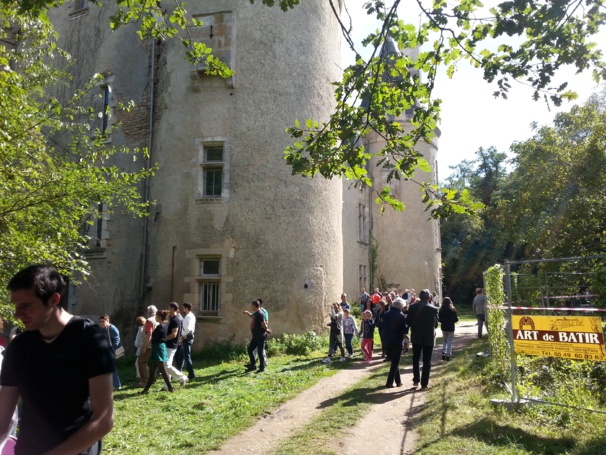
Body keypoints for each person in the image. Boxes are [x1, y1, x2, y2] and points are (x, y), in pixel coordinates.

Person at [0, 264, 114, 454]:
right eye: (16, 306)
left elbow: (103, 420)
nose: (17, 314)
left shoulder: (89, 338)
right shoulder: (19, 347)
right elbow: (2, 418)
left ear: (54, 299)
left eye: (26, 305)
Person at [407, 289, 438, 389]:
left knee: (416, 358)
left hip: (416, 336)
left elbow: (408, 321)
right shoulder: (433, 309)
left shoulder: (413, 307)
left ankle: (416, 380)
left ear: (419, 297)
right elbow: (436, 324)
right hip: (429, 337)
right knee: (427, 360)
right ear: (429, 298)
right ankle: (424, 384)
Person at [140, 310, 174, 394]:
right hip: (159, 347)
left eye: (156, 316)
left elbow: (152, 337)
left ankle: (170, 388)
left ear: (159, 317)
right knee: (152, 370)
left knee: (162, 369)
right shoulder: (166, 325)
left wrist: (144, 346)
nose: (155, 317)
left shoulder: (160, 326)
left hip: (158, 347)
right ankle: (146, 389)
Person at [381, 298, 408, 388]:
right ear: (400, 306)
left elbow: (382, 325)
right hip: (396, 341)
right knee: (395, 363)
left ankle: (398, 382)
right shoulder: (401, 316)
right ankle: (389, 383)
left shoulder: (386, 314)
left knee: (394, 362)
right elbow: (405, 330)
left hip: (386, 341)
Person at [163, 302, 188, 389]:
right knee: (166, 365)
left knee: (167, 365)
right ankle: (166, 385)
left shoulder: (175, 320)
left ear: (173, 309)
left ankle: (182, 377)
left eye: (169, 308)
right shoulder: (175, 318)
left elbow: (174, 334)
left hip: (171, 345)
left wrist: (164, 339)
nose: (168, 309)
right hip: (170, 344)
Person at [99, 314, 122, 390]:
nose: (101, 323)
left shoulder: (111, 328)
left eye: (103, 321)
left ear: (107, 321)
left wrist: (111, 349)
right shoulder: (102, 329)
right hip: (105, 351)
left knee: (111, 367)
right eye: (100, 321)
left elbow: (117, 340)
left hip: (112, 351)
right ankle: (109, 384)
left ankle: (117, 385)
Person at [243, 299, 269, 368]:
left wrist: (267, 329)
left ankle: (262, 366)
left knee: (260, 351)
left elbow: (264, 323)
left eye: (252, 305)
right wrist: (247, 313)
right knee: (250, 349)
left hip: (260, 335)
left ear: (255, 305)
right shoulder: (256, 313)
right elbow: (252, 316)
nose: (251, 307)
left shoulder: (261, 313)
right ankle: (253, 364)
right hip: (255, 336)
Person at [137, 305, 158, 388]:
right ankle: (152, 379)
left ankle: (145, 381)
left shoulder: (150, 320)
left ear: (148, 312)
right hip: (156, 344)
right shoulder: (158, 319)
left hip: (149, 345)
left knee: (141, 361)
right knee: (154, 362)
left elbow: (149, 333)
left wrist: (144, 346)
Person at [178, 302, 196, 380]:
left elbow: (187, 329)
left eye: (183, 308)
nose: (183, 309)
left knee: (186, 356)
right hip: (188, 337)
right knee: (182, 356)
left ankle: (191, 373)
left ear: (186, 308)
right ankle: (178, 371)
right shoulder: (191, 316)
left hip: (186, 338)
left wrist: (182, 337)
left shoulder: (188, 317)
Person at [134, 316, 146, 385]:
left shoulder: (141, 329)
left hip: (141, 348)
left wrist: (138, 345)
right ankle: (140, 376)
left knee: (138, 363)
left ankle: (140, 377)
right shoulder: (141, 329)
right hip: (140, 347)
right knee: (139, 362)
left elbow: (140, 341)